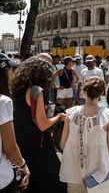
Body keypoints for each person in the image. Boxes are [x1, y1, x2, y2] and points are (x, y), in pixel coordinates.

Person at [11, 57, 67, 193]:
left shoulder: (15, 88)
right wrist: (59, 117)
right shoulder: (36, 90)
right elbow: (43, 125)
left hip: (19, 138)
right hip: (38, 142)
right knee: (50, 179)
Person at [60, 76, 109, 193]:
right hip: (98, 175)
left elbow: (62, 145)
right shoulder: (108, 115)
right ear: (102, 93)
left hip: (74, 172)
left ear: (83, 91)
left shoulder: (71, 113)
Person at [0, 53, 30, 193]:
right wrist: (23, 165)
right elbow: (10, 148)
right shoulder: (3, 102)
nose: (13, 74)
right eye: (11, 70)